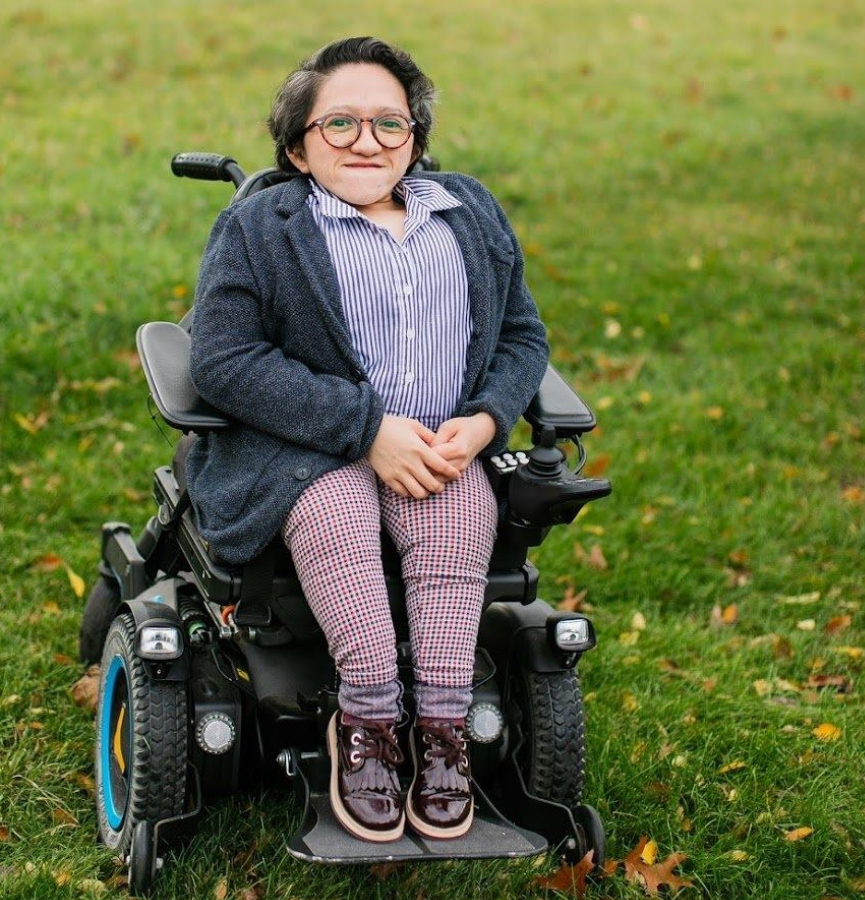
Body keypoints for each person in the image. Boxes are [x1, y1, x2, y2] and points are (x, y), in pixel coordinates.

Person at [184, 36, 549, 843]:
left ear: (415, 139)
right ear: (296, 146)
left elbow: (523, 336)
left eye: (390, 123)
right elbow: (222, 358)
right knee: (342, 524)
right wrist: (365, 428)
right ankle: (371, 723)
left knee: (457, 526)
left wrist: (485, 417)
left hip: (439, 446)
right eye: (339, 122)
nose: (367, 141)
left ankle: (444, 733)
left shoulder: (467, 212)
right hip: (309, 450)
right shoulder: (263, 226)